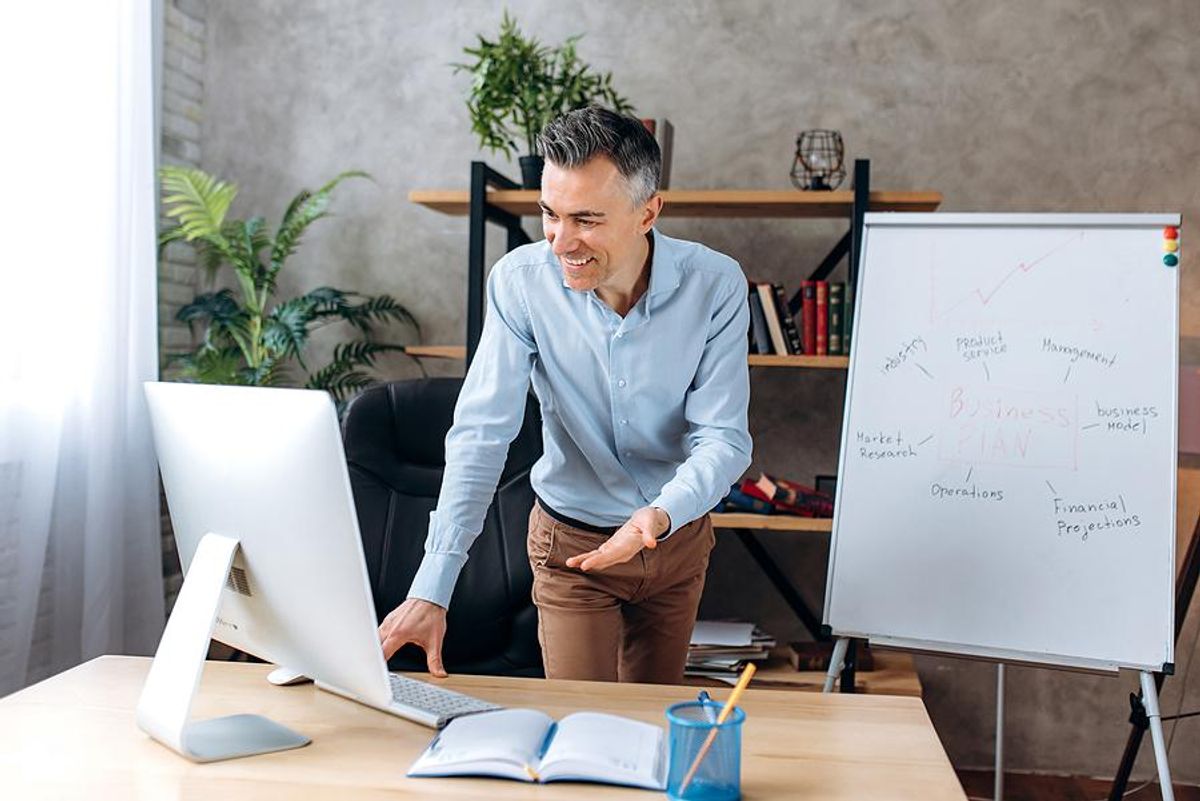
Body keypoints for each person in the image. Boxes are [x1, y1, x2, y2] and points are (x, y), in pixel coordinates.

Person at [379, 106, 752, 683]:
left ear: (648, 212)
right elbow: (483, 433)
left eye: (586, 219)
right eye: (549, 214)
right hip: (573, 545)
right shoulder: (519, 284)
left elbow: (723, 438)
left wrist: (659, 514)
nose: (560, 241)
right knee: (588, 725)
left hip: (674, 537)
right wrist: (434, 586)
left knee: (653, 729)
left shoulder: (716, 284)